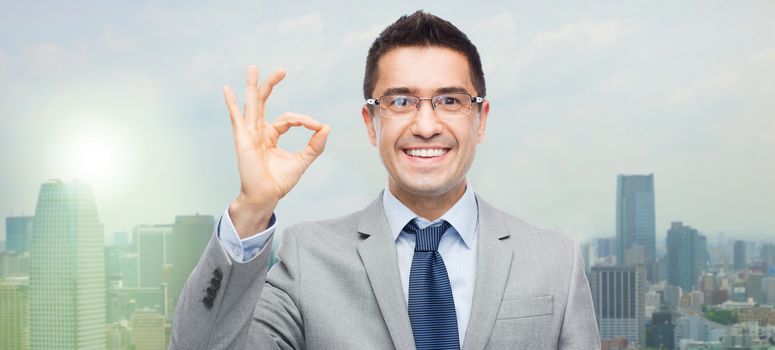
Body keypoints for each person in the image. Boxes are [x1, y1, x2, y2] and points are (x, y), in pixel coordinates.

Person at [170, 10, 600, 350]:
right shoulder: (306, 259)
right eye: (400, 101)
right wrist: (251, 208)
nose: (426, 124)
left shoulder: (555, 263)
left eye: (450, 100)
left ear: (480, 120)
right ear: (372, 123)